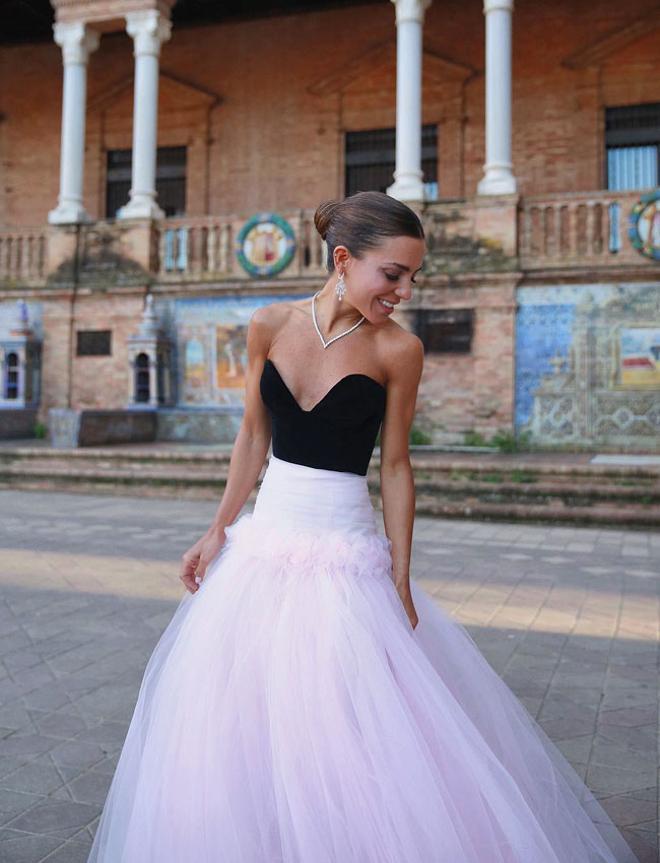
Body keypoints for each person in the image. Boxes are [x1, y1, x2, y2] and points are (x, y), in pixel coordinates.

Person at [87, 191, 639, 863]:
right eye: (394, 274)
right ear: (344, 260)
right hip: (263, 548)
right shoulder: (268, 325)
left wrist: (400, 572)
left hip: (348, 555)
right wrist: (216, 530)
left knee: (344, 725)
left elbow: (398, 466)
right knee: (243, 722)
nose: (405, 290)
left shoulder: (398, 350)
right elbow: (252, 439)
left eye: (413, 276)